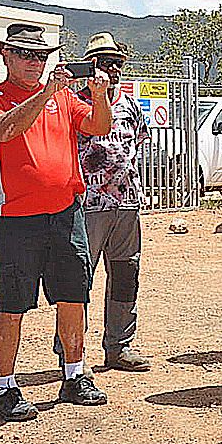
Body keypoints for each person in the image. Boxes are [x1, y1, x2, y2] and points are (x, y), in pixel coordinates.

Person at [0, 23, 113, 421]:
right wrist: (45, 94)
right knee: (12, 304)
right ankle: (5, 387)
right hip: (16, 218)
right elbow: (2, 130)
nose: (35, 62)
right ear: (7, 57)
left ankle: (73, 375)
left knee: (73, 296)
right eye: (26, 54)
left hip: (65, 213)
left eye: (41, 55)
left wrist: (101, 97)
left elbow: (98, 127)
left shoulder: (65, 97)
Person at [73, 33, 151, 371]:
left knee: (125, 274)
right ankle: (71, 354)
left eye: (117, 63)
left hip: (125, 204)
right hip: (87, 206)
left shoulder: (130, 105)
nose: (113, 69)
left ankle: (119, 346)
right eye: (104, 63)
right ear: (90, 67)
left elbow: (139, 146)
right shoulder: (73, 103)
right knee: (77, 279)